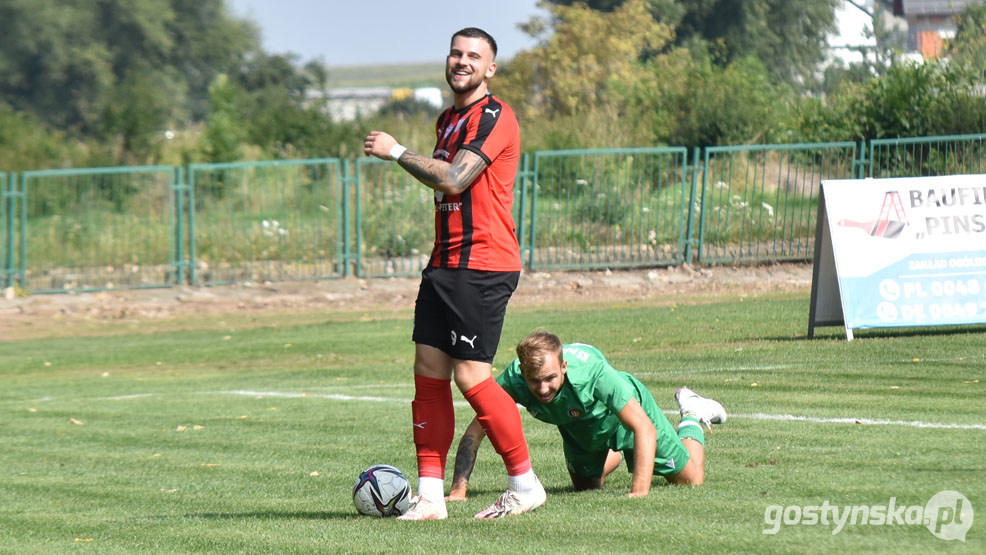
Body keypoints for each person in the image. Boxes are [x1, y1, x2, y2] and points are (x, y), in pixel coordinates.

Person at [363, 27, 544, 520]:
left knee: (471, 375)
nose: (461, 61)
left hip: (482, 263)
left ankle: (525, 484)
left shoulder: (494, 115)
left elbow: (455, 178)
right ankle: (430, 499)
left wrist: (398, 152)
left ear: (490, 69)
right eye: (455, 53)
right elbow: (441, 184)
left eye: (473, 56)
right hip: (445, 263)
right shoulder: (448, 119)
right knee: (428, 373)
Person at [446, 330, 727, 499]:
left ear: (564, 366)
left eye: (550, 378)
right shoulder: (512, 381)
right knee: (587, 488)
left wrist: (638, 492)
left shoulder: (593, 372)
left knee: (691, 479)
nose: (543, 388)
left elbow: (644, 427)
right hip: (580, 428)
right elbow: (475, 432)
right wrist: (459, 491)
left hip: (626, 417)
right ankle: (621, 450)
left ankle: (692, 412)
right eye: (535, 381)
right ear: (522, 372)